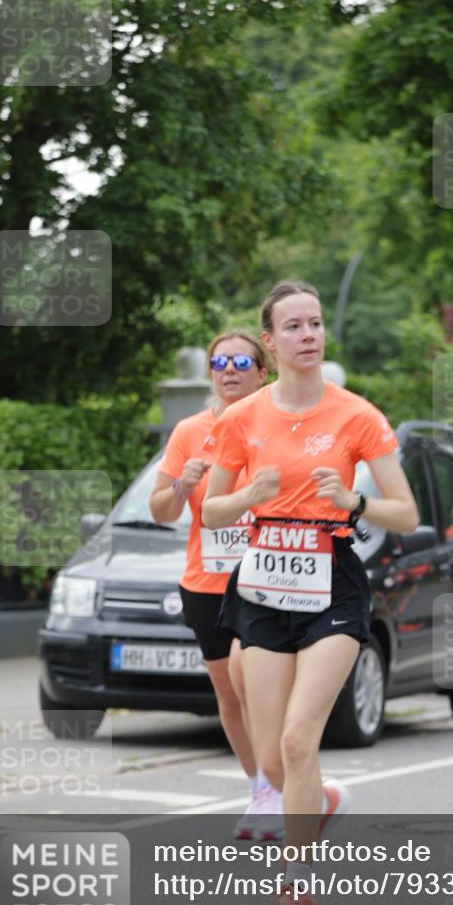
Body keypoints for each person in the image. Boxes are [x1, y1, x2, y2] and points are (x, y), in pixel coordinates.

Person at [202, 280, 419, 905]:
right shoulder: (240, 419)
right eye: (292, 326)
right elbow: (210, 511)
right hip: (264, 586)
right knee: (272, 760)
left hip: (332, 582)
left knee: (300, 739)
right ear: (269, 342)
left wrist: (353, 502)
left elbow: (404, 512)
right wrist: (249, 496)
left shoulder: (357, 414)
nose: (308, 336)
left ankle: (294, 892)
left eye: (315, 324)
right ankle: (318, 801)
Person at [149, 330, 284, 840]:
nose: (228, 370)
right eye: (218, 362)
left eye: (240, 361)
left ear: (262, 372)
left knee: (256, 684)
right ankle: (260, 789)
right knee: (229, 693)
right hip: (206, 581)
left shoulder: (278, 426)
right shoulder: (189, 431)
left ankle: (279, 781)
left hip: (266, 577)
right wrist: (182, 484)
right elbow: (161, 511)